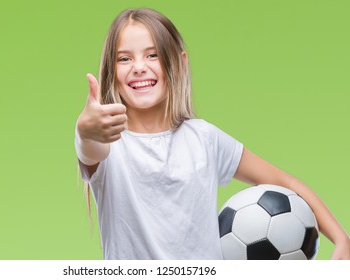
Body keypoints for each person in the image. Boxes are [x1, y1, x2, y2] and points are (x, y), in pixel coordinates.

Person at [75, 8, 350, 260]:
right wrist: (86, 130)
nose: (139, 66)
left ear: (179, 63)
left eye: (153, 54)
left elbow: (285, 182)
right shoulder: (109, 143)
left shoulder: (203, 138)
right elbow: (90, 148)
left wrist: (341, 238)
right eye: (125, 58)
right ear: (112, 71)